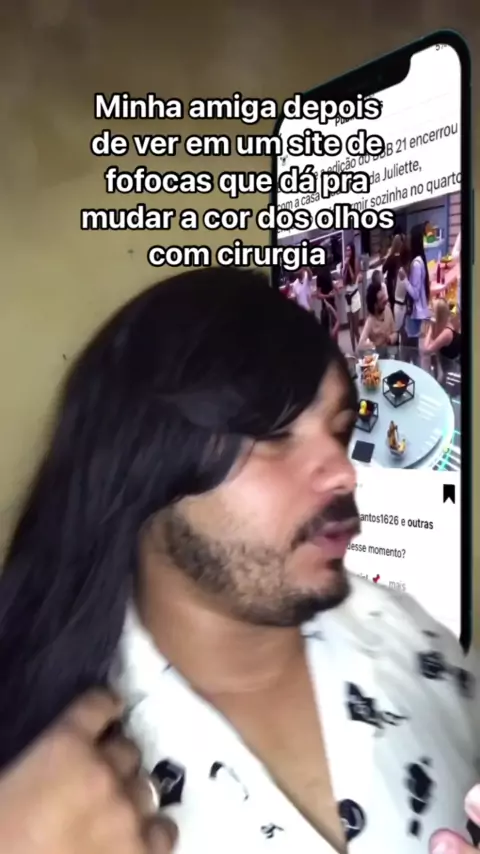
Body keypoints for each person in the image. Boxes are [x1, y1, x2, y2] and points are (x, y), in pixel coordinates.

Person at [0, 268, 478, 854]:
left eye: (338, 431)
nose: (343, 472)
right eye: (275, 435)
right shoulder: (38, 783)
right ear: (146, 468)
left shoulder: (413, 639)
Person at [404, 223, 431, 347]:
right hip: (418, 311)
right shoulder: (420, 260)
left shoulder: (415, 264)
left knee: (411, 347)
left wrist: (404, 280)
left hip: (415, 312)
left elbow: (415, 293)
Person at [358, 277, 397, 351]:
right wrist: (374, 346)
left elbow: (395, 333)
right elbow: (360, 345)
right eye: (381, 299)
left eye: (384, 296)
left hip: (391, 353)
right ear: (375, 305)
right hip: (378, 355)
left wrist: (390, 339)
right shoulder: (370, 321)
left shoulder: (388, 310)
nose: (385, 300)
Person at [421, 298, 461, 363]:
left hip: (454, 364)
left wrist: (430, 329)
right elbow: (452, 306)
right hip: (446, 360)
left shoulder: (447, 333)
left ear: (437, 314)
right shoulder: (447, 320)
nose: (428, 309)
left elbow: (426, 350)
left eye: (431, 309)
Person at [338, 242, 361, 351]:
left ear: (353, 251)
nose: (348, 252)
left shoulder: (355, 261)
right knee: (350, 327)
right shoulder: (345, 263)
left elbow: (353, 279)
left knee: (356, 328)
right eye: (346, 250)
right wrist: (344, 268)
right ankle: (354, 351)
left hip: (354, 296)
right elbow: (343, 280)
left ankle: (361, 349)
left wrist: (349, 266)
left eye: (349, 250)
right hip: (347, 297)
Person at [313, 265, 339, 340]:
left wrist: (335, 287)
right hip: (326, 307)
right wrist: (328, 295)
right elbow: (318, 295)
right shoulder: (320, 276)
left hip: (332, 304)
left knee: (335, 329)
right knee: (331, 329)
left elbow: (330, 282)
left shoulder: (326, 271)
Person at [382, 233, 404, 312]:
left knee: (392, 306)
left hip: (391, 286)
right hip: (401, 285)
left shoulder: (391, 258)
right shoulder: (403, 257)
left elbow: (383, 269)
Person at [392, 241, 411, 337]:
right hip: (399, 306)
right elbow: (408, 288)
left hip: (402, 305)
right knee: (397, 333)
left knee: (403, 332)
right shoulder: (402, 272)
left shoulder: (404, 270)